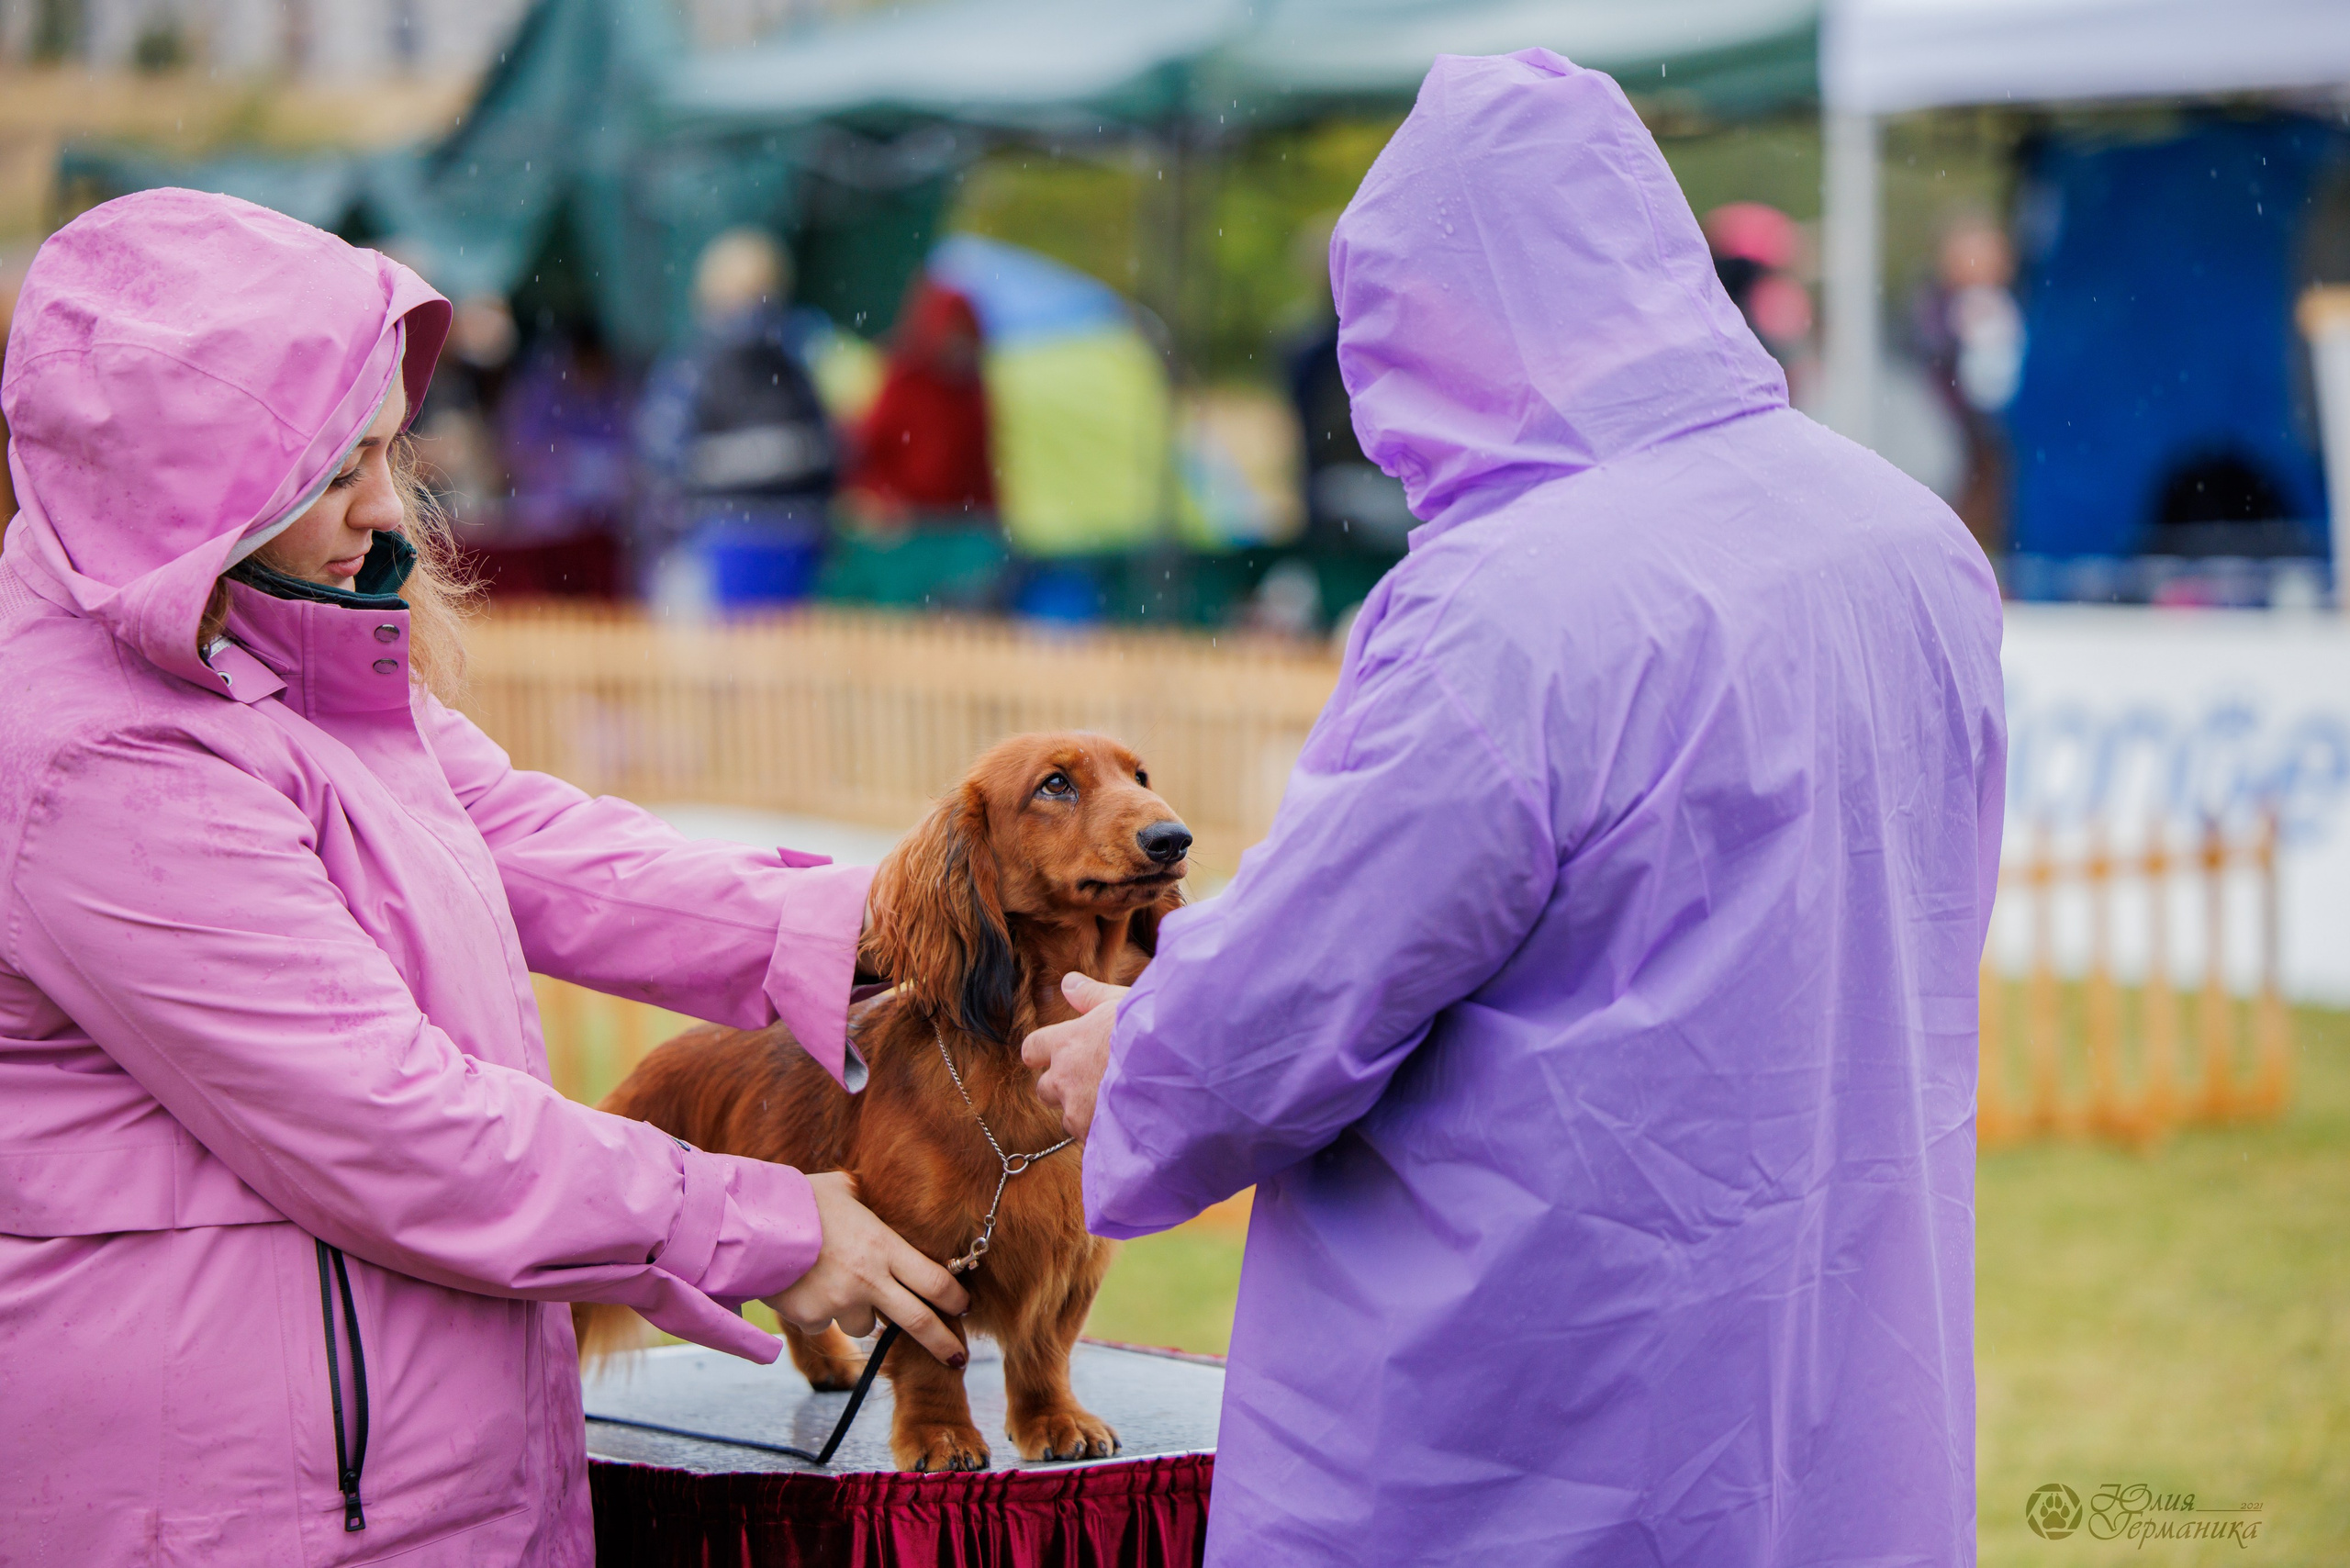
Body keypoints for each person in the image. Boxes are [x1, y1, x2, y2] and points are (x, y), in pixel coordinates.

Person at [1024, 50, 2005, 1567]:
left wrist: (1133, 1048)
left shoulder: (1507, 613)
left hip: (1537, 1416)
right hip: (1836, 1345)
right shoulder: (1906, 538)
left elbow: (1300, 993)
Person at [0, 189, 967, 1565]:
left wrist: (890, 932)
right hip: (242, 1505)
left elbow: (531, 842)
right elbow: (393, 1127)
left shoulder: (259, 641)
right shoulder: (101, 761)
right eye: (333, 471)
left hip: (380, 1464)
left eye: (390, 451)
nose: (385, 509)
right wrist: (752, 1217)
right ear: (183, 486)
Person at [636, 228, 838, 610]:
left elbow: (661, 456)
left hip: (718, 544)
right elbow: (832, 450)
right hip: (800, 547)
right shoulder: (801, 357)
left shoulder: (693, 365)